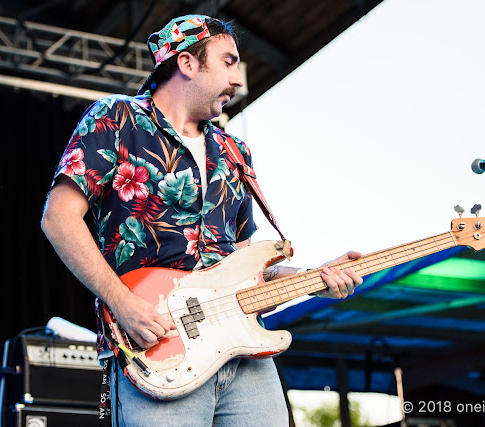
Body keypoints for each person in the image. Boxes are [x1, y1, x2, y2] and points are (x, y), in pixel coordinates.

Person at [41, 14, 363, 426]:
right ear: (188, 63)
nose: (239, 79)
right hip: (159, 348)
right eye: (228, 61)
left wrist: (316, 278)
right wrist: (122, 303)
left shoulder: (234, 151)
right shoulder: (117, 119)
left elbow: (246, 271)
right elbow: (58, 218)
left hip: (244, 355)